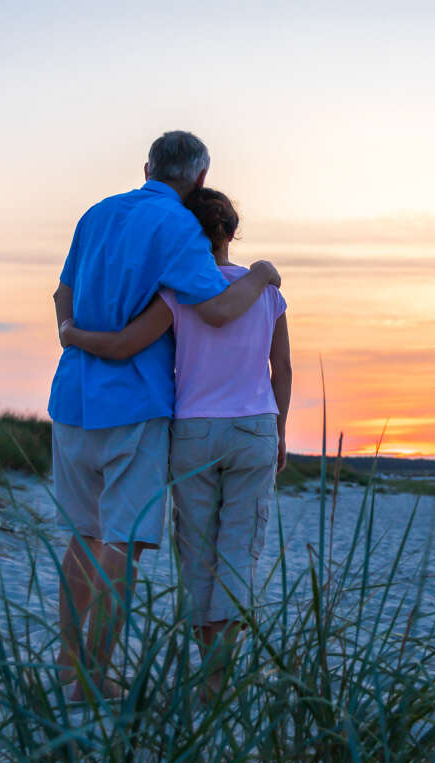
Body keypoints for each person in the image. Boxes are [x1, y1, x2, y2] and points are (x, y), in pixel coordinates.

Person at [49, 131, 280, 699]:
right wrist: (260, 274)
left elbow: (61, 295)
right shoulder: (179, 227)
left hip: (73, 396)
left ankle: (69, 667)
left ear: (146, 166)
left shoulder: (97, 213)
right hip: (135, 405)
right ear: (199, 178)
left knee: (83, 534)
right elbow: (221, 310)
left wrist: (71, 334)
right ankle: (95, 678)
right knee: (122, 541)